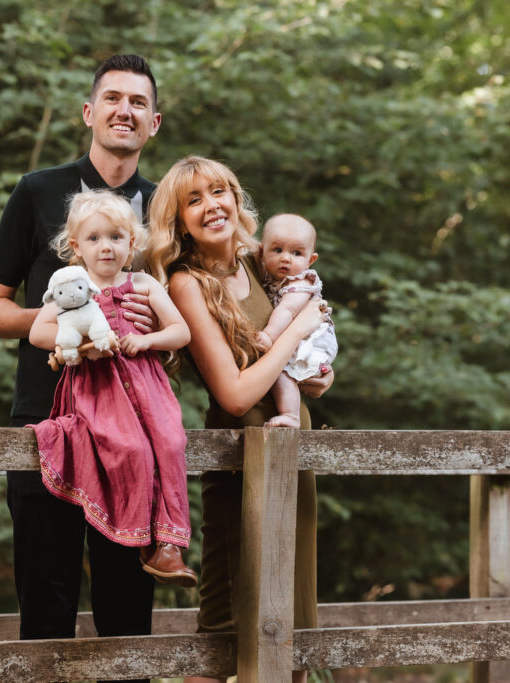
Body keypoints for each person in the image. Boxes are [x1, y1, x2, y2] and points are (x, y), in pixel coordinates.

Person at [0, 54, 162, 681]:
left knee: (128, 612)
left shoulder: (163, 210)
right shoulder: (37, 191)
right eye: (112, 98)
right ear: (90, 112)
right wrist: (54, 326)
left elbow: (193, 312)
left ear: (153, 123)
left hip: (131, 432)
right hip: (46, 422)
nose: (124, 110)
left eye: (137, 102)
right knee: (46, 607)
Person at [146, 156, 333, 683]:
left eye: (219, 191)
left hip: (292, 447)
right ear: (179, 220)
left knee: (293, 622)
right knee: (224, 627)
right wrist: (293, 337)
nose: (211, 206)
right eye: (194, 200)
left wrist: (319, 370)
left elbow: (313, 344)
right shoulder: (187, 283)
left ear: (236, 198)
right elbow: (232, 392)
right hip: (239, 458)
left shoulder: (263, 260)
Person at [28, 189, 196, 587]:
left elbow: (181, 332)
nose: (106, 247)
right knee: (132, 449)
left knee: (171, 444)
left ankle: (170, 545)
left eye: (116, 237)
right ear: (76, 246)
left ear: (132, 242)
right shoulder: (74, 286)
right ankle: (142, 537)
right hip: (98, 388)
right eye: (94, 238)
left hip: (147, 385)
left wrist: (147, 341)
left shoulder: (145, 284)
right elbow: (38, 332)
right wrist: (80, 348)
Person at [256, 213, 338, 428]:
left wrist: (268, 335)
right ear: (261, 251)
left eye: (296, 253)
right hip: (300, 334)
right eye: (277, 250)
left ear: (310, 260)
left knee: (282, 370)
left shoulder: (301, 281)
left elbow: (287, 310)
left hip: (313, 338)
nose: (286, 258)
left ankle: (291, 416)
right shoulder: (269, 274)